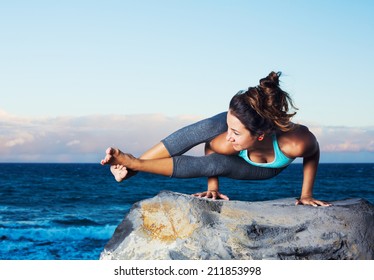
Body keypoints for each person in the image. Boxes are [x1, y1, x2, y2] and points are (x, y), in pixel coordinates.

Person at [101, 71, 331, 207]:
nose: (228, 137)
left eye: (236, 133)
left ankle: (134, 165)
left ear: (260, 135)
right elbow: (210, 144)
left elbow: (313, 153)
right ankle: (133, 166)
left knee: (219, 161)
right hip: (243, 138)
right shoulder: (225, 139)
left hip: (263, 169)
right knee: (212, 126)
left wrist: (306, 194)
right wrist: (213, 187)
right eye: (229, 127)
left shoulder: (296, 142)